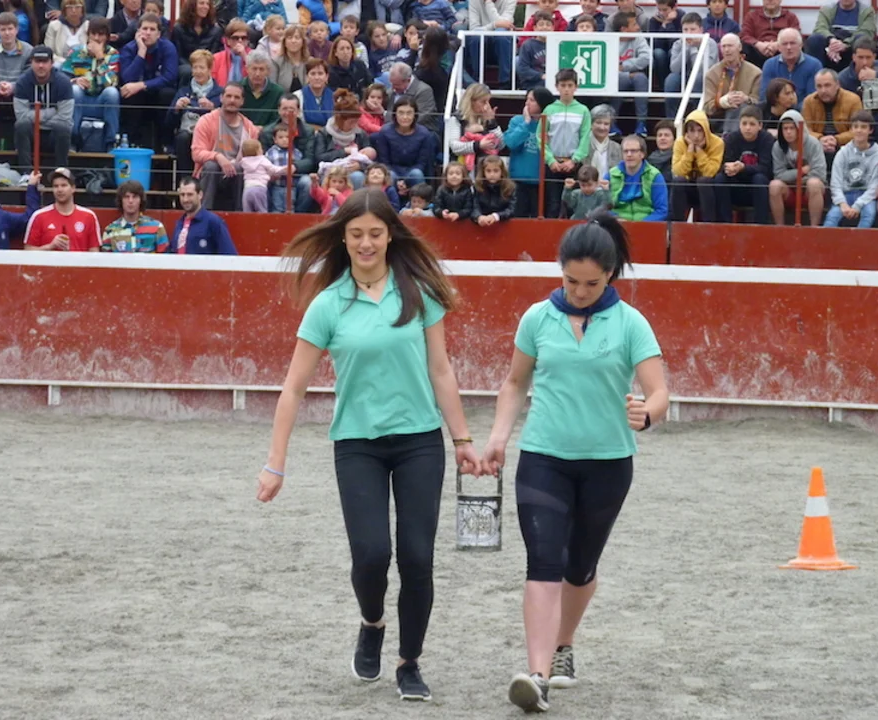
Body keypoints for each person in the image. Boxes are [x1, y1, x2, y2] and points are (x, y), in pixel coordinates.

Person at [257, 188, 479, 703]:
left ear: (390, 235)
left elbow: (441, 370)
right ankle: (372, 621)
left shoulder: (418, 292)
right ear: (343, 237)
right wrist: (275, 463)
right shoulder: (327, 305)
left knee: (417, 557)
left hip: (420, 440)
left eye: (375, 233)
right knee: (372, 554)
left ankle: (409, 662)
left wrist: (462, 439)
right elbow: (293, 388)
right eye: (356, 234)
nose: (365, 243)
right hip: (357, 443)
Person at [483, 212, 668, 714]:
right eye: (571, 281)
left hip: (608, 463)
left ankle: (564, 644)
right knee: (543, 562)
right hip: (543, 457)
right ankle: (537, 675)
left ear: (610, 275)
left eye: (591, 283)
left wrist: (646, 414)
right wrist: (499, 437)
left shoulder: (631, 323)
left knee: (580, 567)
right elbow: (515, 383)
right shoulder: (536, 318)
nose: (580, 292)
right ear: (560, 271)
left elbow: (659, 393)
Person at [192, 80, 258, 210]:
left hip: (236, 174)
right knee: (211, 165)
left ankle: (240, 214)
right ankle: (205, 213)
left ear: (242, 101)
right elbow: (196, 153)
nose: (232, 100)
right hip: (211, 173)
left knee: (240, 168)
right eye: (228, 96)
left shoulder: (250, 129)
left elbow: (253, 160)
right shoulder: (206, 121)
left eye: (236, 97)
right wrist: (218, 157)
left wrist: (234, 163)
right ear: (221, 98)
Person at [119, 12, 178, 147]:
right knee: (129, 92)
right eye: (144, 29)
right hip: (138, 95)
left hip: (158, 92)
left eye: (152, 29)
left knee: (167, 93)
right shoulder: (128, 49)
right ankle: (132, 142)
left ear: (158, 34)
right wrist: (141, 52)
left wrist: (142, 85)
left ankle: (165, 143)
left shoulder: (168, 47)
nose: (148, 33)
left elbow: (170, 77)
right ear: (138, 32)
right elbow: (127, 78)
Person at [62, 16, 119, 151]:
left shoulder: (113, 54)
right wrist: (74, 81)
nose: (97, 38)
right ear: (88, 35)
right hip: (80, 100)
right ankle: (72, 140)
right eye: (93, 34)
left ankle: (111, 142)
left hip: (101, 99)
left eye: (101, 34)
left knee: (112, 93)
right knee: (75, 90)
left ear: (107, 37)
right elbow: (62, 80)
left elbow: (111, 83)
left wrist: (100, 58)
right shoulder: (75, 52)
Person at [13, 45, 73, 171]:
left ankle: (61, 173)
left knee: (63, 127)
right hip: (31, 135)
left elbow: (65, 118)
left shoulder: (64, 83)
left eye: (44, 62)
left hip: (53, 135)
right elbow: (21, 116)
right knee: (21, 125)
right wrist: (52, 111)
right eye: (37, 61)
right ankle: (26, 173)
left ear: (52, 63)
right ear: (31, 62)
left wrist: (36, 118)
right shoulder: (22, 82)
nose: (41, 66)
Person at [540, 69, 590, 218]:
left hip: (573, 165)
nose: (566, 89)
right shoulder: (549, 110)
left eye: (570, 85)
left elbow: (585, 138)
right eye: (563, 85)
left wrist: (574, 160)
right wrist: (550, 159)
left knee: (573, 203)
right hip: (553, 164)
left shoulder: (583, 111)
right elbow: (540, 137)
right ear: (557, 87)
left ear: (576, 87)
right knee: (553, 204)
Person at [714, 105, 774, 224]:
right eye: (744, 123)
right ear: (739, 124)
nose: (747, 128)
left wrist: (743, 167)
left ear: (760, 125)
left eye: (752, 124)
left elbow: (766, 168)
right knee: (720, 178)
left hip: (757, 188)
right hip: (736, 186)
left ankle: (761, 224)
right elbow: (722, 164)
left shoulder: (767, 139)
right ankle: (725, 224)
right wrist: (728, 168)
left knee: (759, 178)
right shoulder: (731, 138)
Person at [258, 93, 317, 212]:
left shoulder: (308, 131)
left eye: (292, 109)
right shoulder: (267, 132)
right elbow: (261, 158)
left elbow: (310, 159)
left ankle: (298, 215)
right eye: (284, 109)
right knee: (259, 182)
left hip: (297, 175)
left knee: (308, 183)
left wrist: (294, 167)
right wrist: (272, 171)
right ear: (279, 110)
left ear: (298, 111)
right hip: (274, 175)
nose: (288, 113)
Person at [169, 49, 223, 178]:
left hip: (211, 136)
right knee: (183, 138)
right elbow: (168, 122)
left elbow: (227, 119)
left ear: (210, 69)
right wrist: (176, 109)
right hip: (187, 134)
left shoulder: (220, 92)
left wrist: (213, 108)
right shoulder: (183, 91)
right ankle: (186, 181)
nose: (198, 71)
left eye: (202, 68)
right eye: (195, 67)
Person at [769, 110, 827, 227]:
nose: (788, 132)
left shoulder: (813, 144)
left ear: (799, 128)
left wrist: (794, 178)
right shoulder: (778, 146)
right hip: (789, 190)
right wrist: (801, 171)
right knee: (774, 186)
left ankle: (814, 228)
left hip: (809, 191)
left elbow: (819, 173)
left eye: (792, 128)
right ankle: (779, 228)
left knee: (814, 183)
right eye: (785, 129)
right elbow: (779, 174)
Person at [503, 86, 555, 217]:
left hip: (542, 182)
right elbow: (510, 143)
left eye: (532, 100)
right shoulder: (517, 121)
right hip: (518, 181)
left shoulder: (551, 124)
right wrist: (526, 123)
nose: (527, 103)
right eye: (527, 99)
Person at [24, 167, 101, 251]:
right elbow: (28, 251)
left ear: (73, 188)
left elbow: (94, 252)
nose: (59, 190)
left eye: (64, 185)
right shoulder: (39, 216)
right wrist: (50, 246)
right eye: (55, 186)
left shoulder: (89, 216)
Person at [824, 109, 878, 228]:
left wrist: (858, 205)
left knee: (869, 214)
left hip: (866, 196)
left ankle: (860, 239)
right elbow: (835, 182)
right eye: (856, 126)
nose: (859, 130)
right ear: (851, 129)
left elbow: (875, 186)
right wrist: (842, 203)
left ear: (870, 130)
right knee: (832, 216)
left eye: (863, 127)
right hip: (845, 194)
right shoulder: (843, 152)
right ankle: (823, 240)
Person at [372, 96, 434, 191]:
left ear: (415, 115)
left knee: (416, 173)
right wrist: (398, 181)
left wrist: (405, 181)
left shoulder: (424, 134)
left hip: (413, 171)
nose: (405, 117)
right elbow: (384, 161)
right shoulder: (385, 132)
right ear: (395, 114)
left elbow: (422, 163)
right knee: (390, 175)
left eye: (409, 113)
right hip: (392, 170)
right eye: (401, 113)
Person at [663, 13, 719, 120]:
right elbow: (674, 69)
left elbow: (704, 69)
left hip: (705, 79)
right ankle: (671, 120)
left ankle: (696, 117)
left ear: (701, 30)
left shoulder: (710, 43)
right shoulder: (678, 44)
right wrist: (686, 48)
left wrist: (693, 49)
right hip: (684, 77)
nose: (689, 33)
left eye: (693, 29)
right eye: (685, 29)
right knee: (671, 79)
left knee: (698, 78)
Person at [670, 109, 722, 222]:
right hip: (689, 187)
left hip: (709, 189)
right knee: (678, 181)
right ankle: (677, 225)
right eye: (692, 131)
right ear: (686, 131)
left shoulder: (717, 143)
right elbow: (678, 171)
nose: (696, 136)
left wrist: (698, 150)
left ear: (706, 130)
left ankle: (708, 226)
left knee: (704, 181)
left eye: (700, 130)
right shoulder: (680, 142)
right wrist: (690, 150)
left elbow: (710, 172)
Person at [802, 67, 863, 164]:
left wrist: (836, 140)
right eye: (819, 86)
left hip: (846, 146)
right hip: (817, 146)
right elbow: (805, 130)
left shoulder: (853, 100)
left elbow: (858, 130)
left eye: (827, 85)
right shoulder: (808, 101)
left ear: (837, 84)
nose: (823, 90)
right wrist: (819, 139)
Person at [703, 33, 761, 135]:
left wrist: (746, 99)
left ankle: (729, 137)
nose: (726, 50)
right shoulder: (711, 74)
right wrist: (722, 102)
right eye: (723, 46)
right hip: (718, 120)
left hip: (747, 121)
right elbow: (707, 107)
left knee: (738, 108)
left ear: (739, 47)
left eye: (730, 46)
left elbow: (760, 103)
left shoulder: (755, 73)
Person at [0, 12, 33, 123]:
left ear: (17, 30)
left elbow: (27, 79)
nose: (7, 33)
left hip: (20, 91)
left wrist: (12, 87)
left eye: (10, 29)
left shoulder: (29, 50)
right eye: (3, 30)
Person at [607, 134, 668, 221]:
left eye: (633, 151)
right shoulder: (610, 175)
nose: (629, 154)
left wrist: (640, 225)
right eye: (625, 151)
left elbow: (661, 211)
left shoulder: (655, 176)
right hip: (616, 225)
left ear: (642, 154)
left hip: (646, 225)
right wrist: (616, 219)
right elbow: (602, 206)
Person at [169, 176, 237, 253]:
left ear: (200, 195)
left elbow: (229, 254)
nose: (185, 199)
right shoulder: (179, 223)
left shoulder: (213, 222)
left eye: (190, 194)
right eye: (182, 195)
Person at [609, 11, 650, 138]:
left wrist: (624, 66)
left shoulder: (639, 37)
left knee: (641, 78)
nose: (638, 27)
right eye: (634, 24)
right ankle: (611, 123)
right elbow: (608, 66)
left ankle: (641, 124)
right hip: (617, 77)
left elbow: (646, 58)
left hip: (634, 75)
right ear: (624, 29)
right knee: (618, 78)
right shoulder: (610, 40)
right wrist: (627, 74)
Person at [447, 83, 501, 177]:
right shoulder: (457, 119)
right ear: (471, 101)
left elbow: (500, 145)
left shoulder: (487, 119)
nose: (487, 106)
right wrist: (478, 145)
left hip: (485, 171)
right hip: (462, 170)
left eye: (488, 102)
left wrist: (492, 122)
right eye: (483, 102)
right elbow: (454, 147)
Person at [806, 0, 875, 73]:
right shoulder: (827, 9)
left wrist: (845, 44)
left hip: (851, 47)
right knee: (814, 39)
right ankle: (817, 75)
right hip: (830, 48)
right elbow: (819, 28)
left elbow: (867, 32)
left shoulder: (866, 11)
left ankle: (860, 75)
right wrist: (832, 40)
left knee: (862, 38)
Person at [101, 180, 169, 252]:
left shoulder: (157, 227)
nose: (130, 201)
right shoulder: (110, 230)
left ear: (141, 200)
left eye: (135, 197)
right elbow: (105, 258)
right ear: (121, 200)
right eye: (126, 197)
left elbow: (166, 257)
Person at [759, 29, 822, 106]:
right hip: (776, 110)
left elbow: (813, 98)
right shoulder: (770, 65)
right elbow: (765, 96)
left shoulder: (814, 65)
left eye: (792, 43)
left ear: (801, 45)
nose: (788, 47)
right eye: (784, 44)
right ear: (779, 47)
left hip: (804, 111)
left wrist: (793, 110)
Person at [465, 0, 515, 88]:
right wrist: (494, 25)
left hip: (502, 46)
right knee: (477, 37)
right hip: (481, 44)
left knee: (501, 34)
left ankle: (505, 82)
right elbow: (474, 28)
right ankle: (477, 82)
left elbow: (504, 24)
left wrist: (488, 3)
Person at [172, 0, 223, 84]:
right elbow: (178, 54)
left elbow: (214, 54)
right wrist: (195, 68)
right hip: (186, 66)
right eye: (201, 3)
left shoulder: (216, 30)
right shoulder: (179, 28)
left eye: (207, 4)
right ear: (192, 5)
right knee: (187, 71)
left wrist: (202, 67)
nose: (205, 7)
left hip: (207, 66)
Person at [740, 0, 800, 68]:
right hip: (757, 51)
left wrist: (778, 44)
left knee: (795, 45)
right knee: (744, 46)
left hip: (781, 51)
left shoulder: (790, 17)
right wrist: (758, 44)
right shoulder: (751, 16)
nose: (770, 0)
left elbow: (796, 34)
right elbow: (745, 35)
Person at [238, 136, 289, 211]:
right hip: (260, 188)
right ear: (258, 151)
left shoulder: (243, 162)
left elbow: (237, 164)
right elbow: (273, 169)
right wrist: (285, 168)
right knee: (261, 211)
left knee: (247, 212)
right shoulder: (262, 160)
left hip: (247, 190)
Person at [387, 62, 437, 134]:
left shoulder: (424, 91)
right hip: (393, 131)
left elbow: (421, 117)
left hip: (422, 132)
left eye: (396, 85)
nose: (393, 88)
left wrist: (386, 115)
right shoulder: (390, 92)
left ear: (408, 80)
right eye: (391, 83)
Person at [581, 105, 621, 189]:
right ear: (591, 123)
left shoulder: (617, 148)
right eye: (598, 122)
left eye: (606, 124)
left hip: (609, 192)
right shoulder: (582, 145)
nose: (602, 127)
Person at [242, 49, 283, 126]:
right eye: (254, 69)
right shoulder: (238, 89)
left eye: (261, 69)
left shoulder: (278, 92)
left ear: (268, 71)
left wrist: (264, 129)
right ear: (247, 69)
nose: (257, 74)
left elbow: (277, 120)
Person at [471, 155, 516, 226]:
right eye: (488, 171)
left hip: (503, 225)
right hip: (482, 225)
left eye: (496, 171)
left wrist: (496, 216)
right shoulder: (477, 187)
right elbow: (474, 206)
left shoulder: (510, 187)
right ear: (483, 172)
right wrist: (479, 217)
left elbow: (512, 209)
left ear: (502, 172)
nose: (492, 174)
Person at [43, 0, 88, 65]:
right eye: (69, 7)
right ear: (64, 11)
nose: (74, 10)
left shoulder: (89, 26)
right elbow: (49, 52)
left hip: (84, 64)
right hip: (60, 64)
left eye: (77, 7)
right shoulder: (54, 26)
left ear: (82, 10)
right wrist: (65, 62)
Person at [517, 12, 551, 91]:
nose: (545, 27)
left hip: (554, 84)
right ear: (535, 28)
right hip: (532, 84)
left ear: (553, 28)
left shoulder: (558, 44)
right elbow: (523, 69)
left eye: (548, 25)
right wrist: (541, 76)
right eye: (541, 24)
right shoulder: (527, 45)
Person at [269, 23, 308, 92]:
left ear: (303, 42)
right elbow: (272, 88)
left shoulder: (310, 62)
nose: (293, 41)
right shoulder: (275, 62)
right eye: (290, 38)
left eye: (297, 38)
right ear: (284, 42)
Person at [294, 57, 333, 126]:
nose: (316, 77)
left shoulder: (335, 97)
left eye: (320, 73)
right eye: (313, 74)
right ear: (307, 77)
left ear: (327, 77)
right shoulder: (297, 97)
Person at [212, 18, 250, 85]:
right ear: (228, 40)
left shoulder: (255, 56)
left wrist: (245, 57)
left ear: (247, 41)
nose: (240, 41)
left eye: (243, 38)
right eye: (235, 38)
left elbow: (257, 77)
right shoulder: (216, 58)